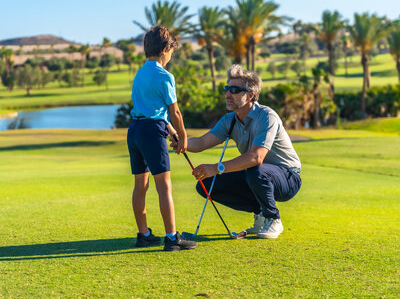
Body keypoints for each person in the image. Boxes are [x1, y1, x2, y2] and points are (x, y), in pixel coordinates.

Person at [172, 64, 301, 239]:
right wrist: (182, 142)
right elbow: (202, 142)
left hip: (288, 177)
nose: (227, 94)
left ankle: (273, 219)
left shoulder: (266, 116)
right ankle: (261, 213)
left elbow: (256, 157)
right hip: (256, 174)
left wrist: (216, 167)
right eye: (227, 88)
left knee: (256, 168)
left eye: (234, 90)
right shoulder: (229, 120)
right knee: (206, 186)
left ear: (250, 95)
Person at [127, 25, 197, 251]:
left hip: (135, 130)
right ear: (166, 49)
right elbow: (174, 111)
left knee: (141, 185)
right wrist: (183, 136)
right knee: (164, 185)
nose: (170, 58)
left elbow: (150, 109)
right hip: (151, 132)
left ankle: (143, 234)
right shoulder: (164, 76)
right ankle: (171, 238)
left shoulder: (140, 73)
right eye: (171, 53)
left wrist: (169, 129)